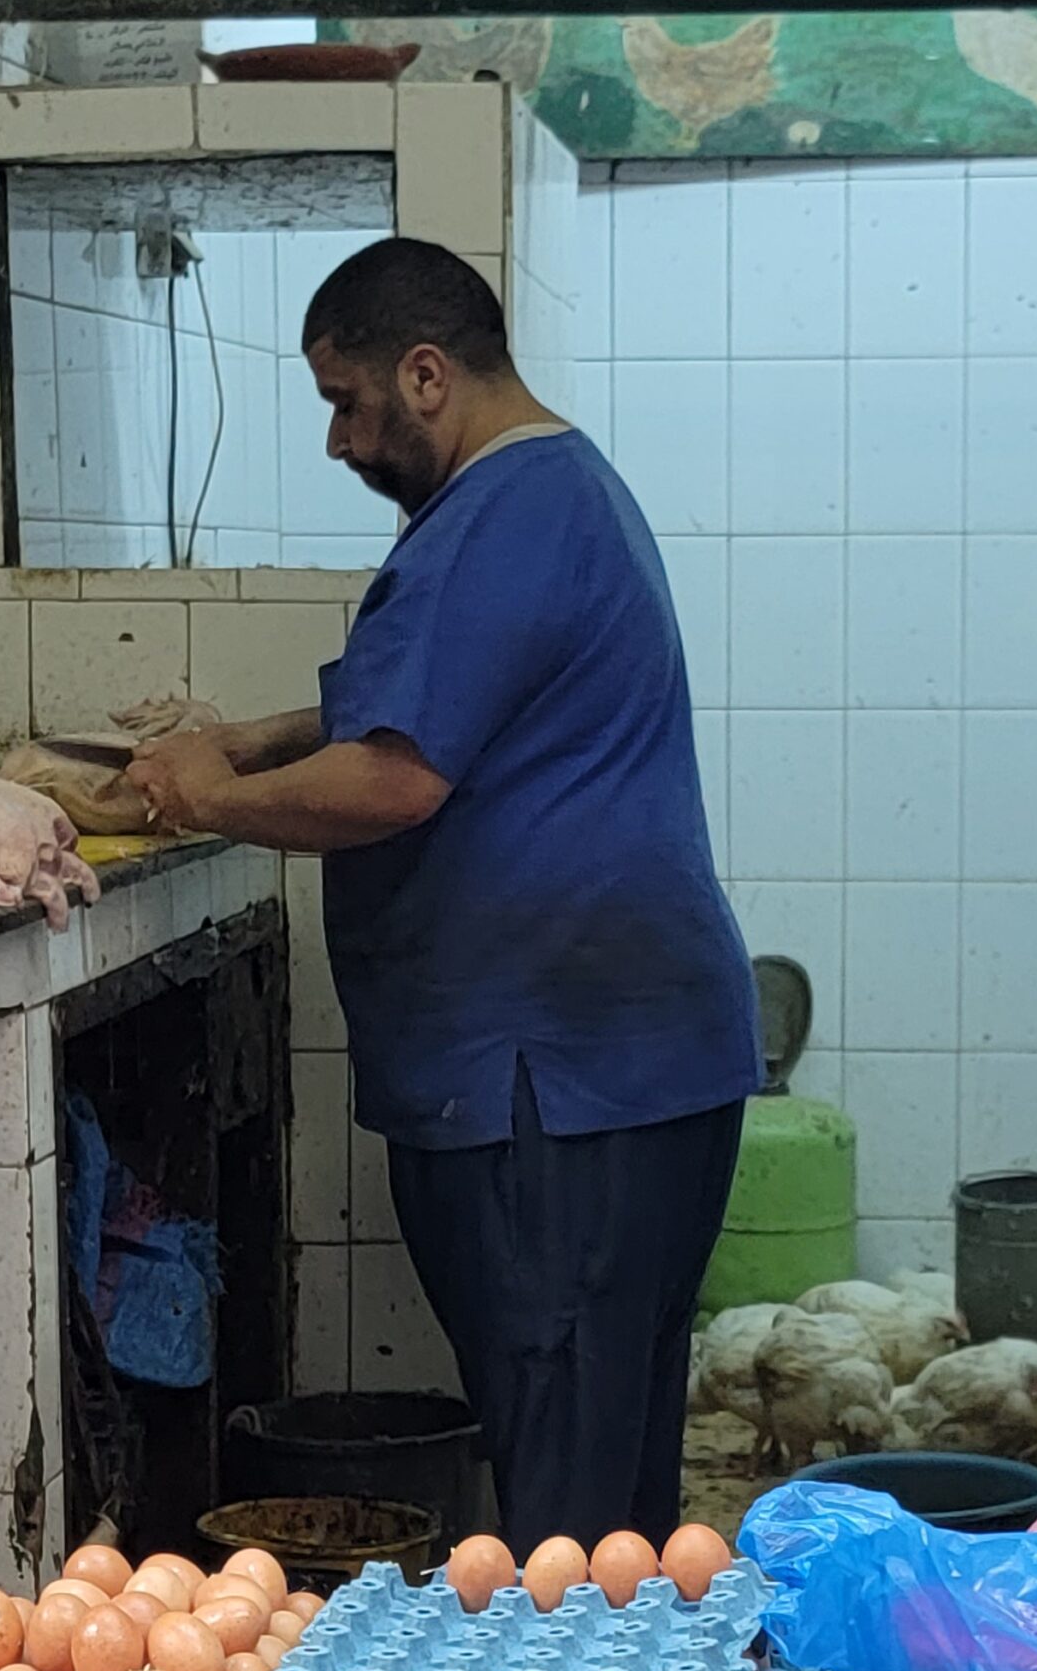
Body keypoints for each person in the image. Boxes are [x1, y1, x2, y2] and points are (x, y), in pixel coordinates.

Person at [126, 237, 762, 1554]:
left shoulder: (502, 514)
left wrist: (207, 797)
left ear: (426, 374)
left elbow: (396, 778)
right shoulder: (552, 493)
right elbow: (439, 699)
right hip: (612, 1070)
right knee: (608, 1480)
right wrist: (248, 739)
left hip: (559, 1087)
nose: (338, 442)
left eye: (346, 403)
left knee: (569, 1501)